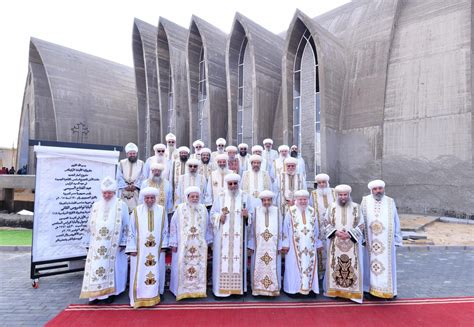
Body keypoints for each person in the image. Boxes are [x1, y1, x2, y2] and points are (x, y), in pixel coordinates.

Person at [80, 177, 129, 304]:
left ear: (114, 192)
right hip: (97, 245)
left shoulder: (121, 205)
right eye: (105, 193)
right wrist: (87, 243)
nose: (107, 195)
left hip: (115, 245)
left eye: (109, 193)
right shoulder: (96, 206)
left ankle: (111, 293)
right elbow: (89, 226)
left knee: (114, 269)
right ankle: (94, 295)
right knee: (96, 268)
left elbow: (126, 225)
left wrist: (124, 242)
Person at [210, 173, 254, 297]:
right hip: (222, 238)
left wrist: (247, 215)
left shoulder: (245, 197)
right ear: (227, 184)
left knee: (238, 261)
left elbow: (251, 215)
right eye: (230, 184)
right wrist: (219, 217)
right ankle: (221, 290)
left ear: (238, 184)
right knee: (222, 263)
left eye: (235, 183)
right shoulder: (220, 196)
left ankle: (237, 289)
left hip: (239, 238)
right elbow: (212, 214)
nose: (233, 186)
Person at [126, 187, 169, 308]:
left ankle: (157, 293)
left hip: (157, 249)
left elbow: (165, 229)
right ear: (143, 198)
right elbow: (131, 231)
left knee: (158, 270)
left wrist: (164, 245)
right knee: (138, 272)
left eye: (152, 198)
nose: (149, 200)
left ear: (155, 198)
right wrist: (132, 248)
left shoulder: (162, 210)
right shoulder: (136, 211)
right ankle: (138, 295)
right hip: (140, 250)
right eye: (147, 198)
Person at [169, 186, 212, 300]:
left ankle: (197, 290)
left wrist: (208, 242)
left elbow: (208, 226)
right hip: (183, 245)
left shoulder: (203, 209)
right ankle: (180, 291)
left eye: (197, 197)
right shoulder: (179, 209)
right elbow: (173, 226)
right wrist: (173, 242)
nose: (195, 199)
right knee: (180, 266)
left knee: (198, 268)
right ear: (187, 197)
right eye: (192, 196)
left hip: (199, 246)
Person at [361, 180, 402, 299]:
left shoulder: (390, 201)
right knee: (369, 265)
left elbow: (396, 220)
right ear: (371, 190)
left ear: (383, 189)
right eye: (375, 189)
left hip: (386, 243)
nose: (378, 191)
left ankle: (389, 291)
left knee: (388, 266)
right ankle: (369, 289)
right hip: (370, 240)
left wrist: (397, 238)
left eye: (380, 188)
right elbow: (361, 220)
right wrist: (362, 238)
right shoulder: (365, 201)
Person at [323, 184, 364, 303]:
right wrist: (335, 232)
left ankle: (352, 293)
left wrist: (350, 234)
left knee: (352, 266)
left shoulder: (356, 207)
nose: (343, 197)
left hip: (352, 244)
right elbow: (326, 222)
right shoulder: (331, 207)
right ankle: (335, 291)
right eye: (340, 195)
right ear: (337, 195)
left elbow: (361, 224)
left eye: (345, 195)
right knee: (335, 265)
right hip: (336, 243)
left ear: (349, 195)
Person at [281, 190, 322, 295]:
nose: (303, 201)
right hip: (294, 246)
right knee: (293, 267)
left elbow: (316, 228)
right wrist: (285, 244)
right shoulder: (291, 211)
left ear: (308, 200)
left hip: (310, 245)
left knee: (309, 265)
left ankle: (310, 289)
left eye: (305, 199)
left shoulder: (312, 211)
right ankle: (293, 290)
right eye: (300, 199)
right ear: (296, 200)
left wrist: (317, 243)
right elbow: (285, 228)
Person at [248, 190, 282, 296]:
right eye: (264, 200)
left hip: (273, 246)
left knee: (274, 267)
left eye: (269, 200)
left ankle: (273, 289)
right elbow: (252, 230)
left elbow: (281, 229)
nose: (266, 202)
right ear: (261, 201)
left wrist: (280, 244)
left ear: (272, 200)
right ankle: (258, 289)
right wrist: (251, 245)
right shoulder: (256, 211)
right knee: (257, 266)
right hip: (259, 246)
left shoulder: (277, 211)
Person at [310, 173, 336, 279]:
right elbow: (311, 209)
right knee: (321, 249)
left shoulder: (334, 192)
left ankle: (332, 272)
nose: (322, 184)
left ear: (327, 183)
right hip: (319, 227)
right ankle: (321, 274)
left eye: (324, 182)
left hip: (333, 227)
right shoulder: (313, 194)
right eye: (319, 183)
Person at [117, 142, 145, 213]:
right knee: (123, 210)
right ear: (127, 154)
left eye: (134, 153)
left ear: (136, 154)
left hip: (136, 191)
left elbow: (143, 176)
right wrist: (125, 186)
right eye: (130, 153)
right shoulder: (121, 163)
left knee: (136, 211)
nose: (132, 155)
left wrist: (135, 186)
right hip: (124, 190)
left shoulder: (141, 163)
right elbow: (118, 176)